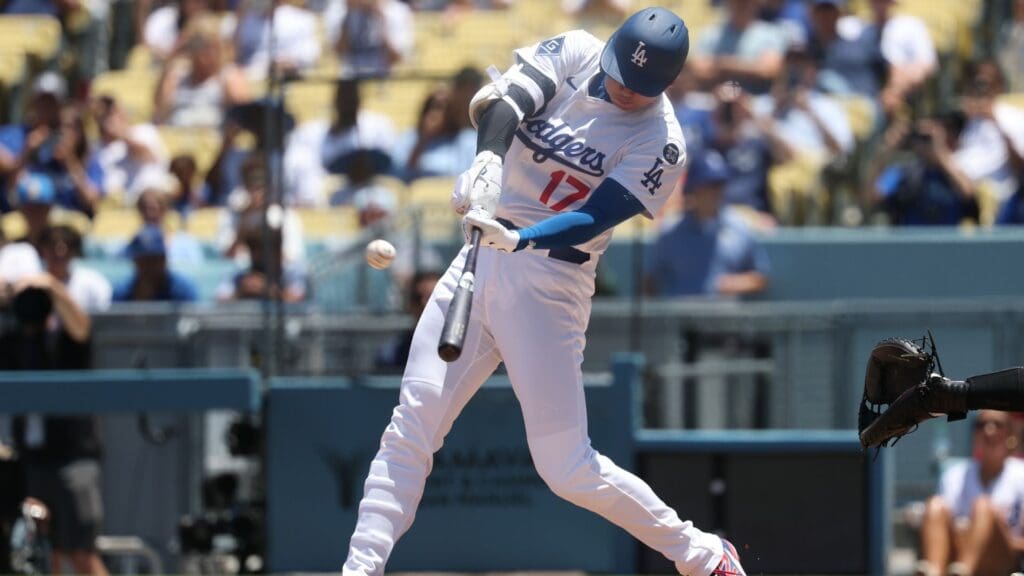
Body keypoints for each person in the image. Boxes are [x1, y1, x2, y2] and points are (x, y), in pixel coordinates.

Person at [342, 8, 747, 576]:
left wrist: (520, 238)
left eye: (637, 88)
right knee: (411, 426)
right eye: (617, 75)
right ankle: (360, 569)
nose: (620, 90)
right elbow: (507, 101)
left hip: (549, 285)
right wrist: (487, 160)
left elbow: (593, 216)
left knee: (566, 468)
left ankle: (702, 555)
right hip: (480, 257)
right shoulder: (580, 50)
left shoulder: (663, 141)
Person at [0, 273, 106, 576]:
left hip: (72, 460)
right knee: (43, 554)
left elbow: (82, 328)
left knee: (80, 551)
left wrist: (50, 285)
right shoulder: (14, 343)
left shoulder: (64, 342)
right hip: (27, 461)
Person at [644, 149, 769, 297]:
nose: (716, 192)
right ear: (693, 189)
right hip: (680, 316)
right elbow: (650, 280)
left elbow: (761, 278)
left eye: (719, 184)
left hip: (725, 316)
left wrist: (735, 283)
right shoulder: (670, 230)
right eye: (708, 186)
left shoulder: (739, 226)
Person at [917, 410, 1024, 576]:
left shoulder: (1021, 475)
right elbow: (943, 532)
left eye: (998, 424)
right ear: (975, 435)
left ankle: (963, 571)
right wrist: (972, 536)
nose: (989, 430)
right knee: (934, 506)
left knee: (983, 506)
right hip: (955, 554)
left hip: (1004, 561)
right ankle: (934, 571)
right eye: (981, 425)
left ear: (1011, 435)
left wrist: (988, 531)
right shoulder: (954, 475)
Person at [865, 113, 978, 226]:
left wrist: (939, 151)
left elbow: (968, 192)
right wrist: (886, 150)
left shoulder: (957, 167)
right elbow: (871, 197)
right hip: (913, 239)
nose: (926, 143)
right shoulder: (905, 172)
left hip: (948, 240)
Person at [154, 15, 251, 128]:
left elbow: (243, 116)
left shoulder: (228, 76)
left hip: (212, 139)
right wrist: (172, 58)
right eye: (198, 45)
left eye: (209, 46)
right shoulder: (177, 77)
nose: (204, 53)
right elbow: (160, 108)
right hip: (177, 138)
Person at [688, 0, 787, 95]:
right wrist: (748, 67)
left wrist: (723, 64)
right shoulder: (711, 34)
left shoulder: (771, 33)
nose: (741, 4)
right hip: (715, 100)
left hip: (755, 102)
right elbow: (699, 70)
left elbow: (768, 71)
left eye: (745, 1)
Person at [91, 95, 168, 206]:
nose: (106, 121)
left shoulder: (144, 131)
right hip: (117, 207)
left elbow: (147, 155)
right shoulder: (97, 149)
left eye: (110, 113)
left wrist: (121, 134)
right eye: (102, 117)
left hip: (150, 202)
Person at [233, 0, 320, 81]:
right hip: (248, 79)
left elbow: (309, 55)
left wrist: (286, 63)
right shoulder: (244, 20)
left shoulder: (302, 20)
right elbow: (233, 58)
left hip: (284, 81)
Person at [327, 0, 413, 79]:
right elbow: (337, 53)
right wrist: (348, 17)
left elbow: (396, 57)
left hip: (383, 77)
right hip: (350, 77)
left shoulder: (398, 10)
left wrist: (380, 19)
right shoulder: (339, 8)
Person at [113, 224, 200, 302]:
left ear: (163, 259)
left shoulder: (183, 290)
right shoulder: (122, 291)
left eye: (151, 260)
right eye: (141, 260)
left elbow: (194, 318)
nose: (146, 266)